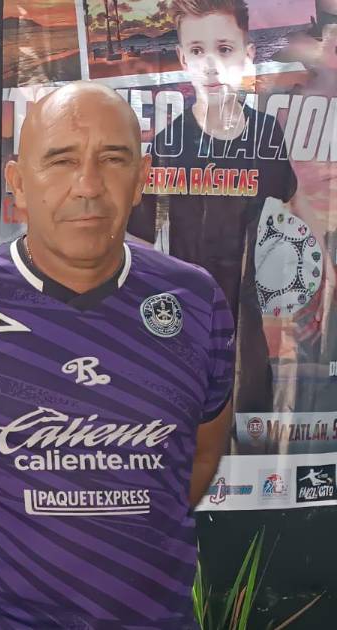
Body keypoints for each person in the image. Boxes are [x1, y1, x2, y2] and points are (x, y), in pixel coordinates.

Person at [0, 83, 235, 628]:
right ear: (17, 184)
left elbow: (201, 454)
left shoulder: (194, 301)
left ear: (142, 178)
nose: (88, 186)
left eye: (113, 160)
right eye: (61, 161)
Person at [128, 0, 294, 412]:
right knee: (183, 414)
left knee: (251, 413)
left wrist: (317, 270)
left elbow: (292, 203)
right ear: (183, 58)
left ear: (248, 54)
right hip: (184, 316)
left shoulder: (266, 133)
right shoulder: (168, 143)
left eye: (223, 49)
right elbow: (138, 238)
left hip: (249, 314)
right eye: (198, 51)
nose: (210, 65)